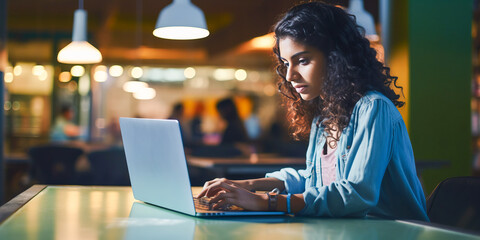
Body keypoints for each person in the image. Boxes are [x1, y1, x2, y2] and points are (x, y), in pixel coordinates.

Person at [198, 1, 429, 221]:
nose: (290, 76)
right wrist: (247, 185)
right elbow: (313, 180)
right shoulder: (323, 117)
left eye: (303, 61)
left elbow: (356, 194)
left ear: (336, 57)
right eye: (287, 64)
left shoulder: (373, 108)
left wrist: (265, 201)